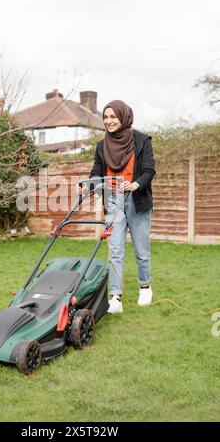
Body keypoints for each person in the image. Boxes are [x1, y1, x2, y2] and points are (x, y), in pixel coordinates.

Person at [88, 100, 156, 313]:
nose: (108, 121)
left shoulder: (141, 140)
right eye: (105, 117)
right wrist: (90, 186)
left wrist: (136, 184)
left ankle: (145, 286)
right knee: (115, 249)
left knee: (141, 250)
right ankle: (115, 297)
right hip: (113, 200)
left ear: (124, 117)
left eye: (113, 117)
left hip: (137, 200)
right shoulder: (102, 146)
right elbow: (96, 172)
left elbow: (149, 170)